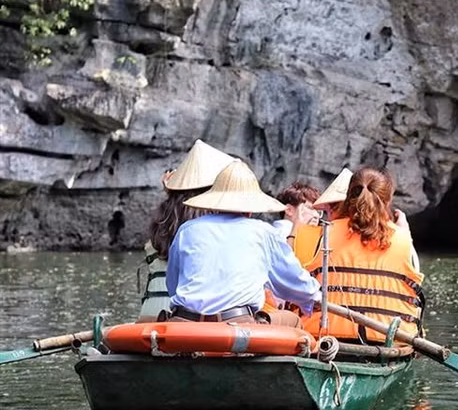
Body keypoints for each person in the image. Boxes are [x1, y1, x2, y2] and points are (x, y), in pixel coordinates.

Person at [166, 160, 321, 325]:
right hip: (236, 322)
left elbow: (173, 285)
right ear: (251, 208)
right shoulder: (263, 232)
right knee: (294, 321)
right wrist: (315, 296)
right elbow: (292, 280)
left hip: (184, 321)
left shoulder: (187, 229)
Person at [301, 167, 424, 342]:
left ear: (348, 197)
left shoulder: (322, 234)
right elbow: (414, 287)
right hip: (388, 338)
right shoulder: (403, 238)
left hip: (324, 336)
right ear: (388, 200)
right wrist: (406, 234)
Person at [136, 140, 235, 323]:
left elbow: (179, 209)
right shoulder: (212, 229)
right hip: (187, 318)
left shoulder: (161, 224)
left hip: (149, 315)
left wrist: (169, 192)